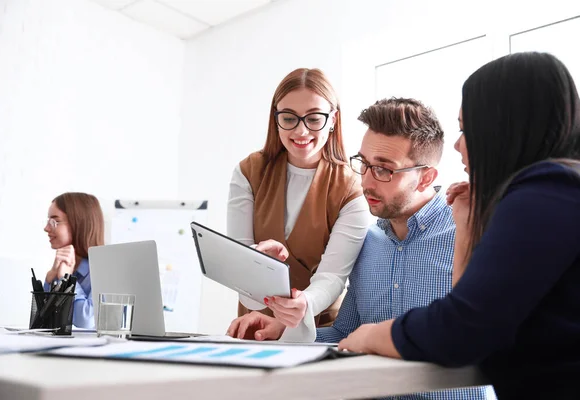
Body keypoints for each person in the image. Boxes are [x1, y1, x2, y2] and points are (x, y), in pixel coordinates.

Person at [338, 52, 580, 399]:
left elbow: (463, 329)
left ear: (504, 127)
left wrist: (373, 335)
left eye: (467, 128)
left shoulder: (547, 190)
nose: (458, 144)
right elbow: (480, 313)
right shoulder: (557, 190)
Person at [228, 98, 495, 399]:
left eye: (384, 170)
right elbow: (345, 335)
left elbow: (484, 338)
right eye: (364, 164)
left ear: (427, 177)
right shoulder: (368, 243)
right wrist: (282, 330)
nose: (366, 181)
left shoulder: (470, 231)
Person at [227, 68, 370, 338]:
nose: (301, 130)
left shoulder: (352, 187)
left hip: (317, 330)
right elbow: (240, 272)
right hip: (254, 326)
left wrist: (302, 305)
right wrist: (258, 264)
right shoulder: (249, 172)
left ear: (333, 119)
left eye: (314, 118)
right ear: (276, 118)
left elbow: (332, 278)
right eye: (289, 118)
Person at [44, 192, 105, 329]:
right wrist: (50, 279)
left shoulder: (105, 271)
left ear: (78, 223)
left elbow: (85, 321)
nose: (46, 228)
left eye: (55, 221)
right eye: (48, 221)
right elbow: (43, 323)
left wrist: (68, 281)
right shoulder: (62, 268)